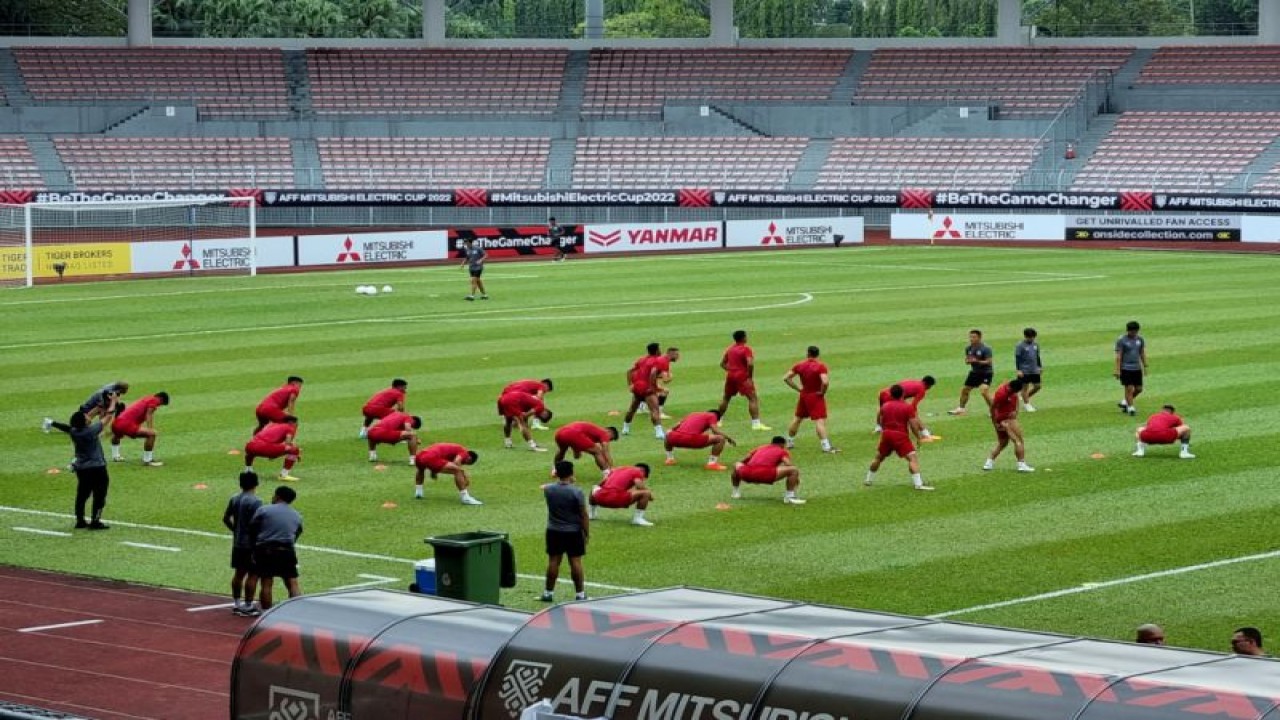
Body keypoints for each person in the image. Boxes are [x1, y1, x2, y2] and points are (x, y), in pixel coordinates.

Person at [48, 408, 114, 530]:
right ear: (84, 422)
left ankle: (80, 521)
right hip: (97, 468)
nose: (89, 416)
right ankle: (95, 521)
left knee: (82, 495)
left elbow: (67, 428)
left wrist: (53, 423)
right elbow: (108, 418)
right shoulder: (91, 431)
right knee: (100, 495)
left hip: (82, 469)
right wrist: (114, 402)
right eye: (86, 416)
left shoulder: (74, 432)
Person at [866, 384, 933, 491]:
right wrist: (918, 437)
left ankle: (868, 479)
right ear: (903, 394)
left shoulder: (885, 405)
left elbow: (881, 420)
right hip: (900, 436)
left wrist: (884, 429)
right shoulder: (907, 407)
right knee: (912, 459)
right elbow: (913, 424)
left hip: (886, 435)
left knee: (878, 458)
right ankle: (918, 484)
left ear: (891, 394)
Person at [249, 485, 303, 611]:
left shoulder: (264, 510)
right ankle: (297, 611)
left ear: (278, 496)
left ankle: (266, 612)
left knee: (266, 582)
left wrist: (254, 545)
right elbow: (298, 532)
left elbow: (252, 527)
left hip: (266, 549)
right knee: (292, 582)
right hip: (287, 550)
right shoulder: (297, 515)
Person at [542, 460, 588, 601]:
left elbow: (548, 486)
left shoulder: (548, 489)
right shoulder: (577, 492)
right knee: (575, 562)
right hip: (573, 532)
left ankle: (548, 593)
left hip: (553, 530)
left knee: (553, 562)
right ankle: (580, 594)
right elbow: (583, 515)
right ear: (572, 473)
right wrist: (586, 533)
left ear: (556, 473)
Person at [783, 345, 838, 453]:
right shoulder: (820, 366)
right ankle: (826, 446)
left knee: (797, 418)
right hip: (815, 396)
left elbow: (786, 378)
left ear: (807, 354)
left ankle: (789, 442)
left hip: (804, 395)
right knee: (820, 421)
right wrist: (822, 392)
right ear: (818, 354)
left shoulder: (799, 365)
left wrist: (798, 389)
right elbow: (825, 382)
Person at [222, 470, 263, 617]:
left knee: (239, 574)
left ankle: (236, 603)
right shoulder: (256, 501)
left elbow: (226, 518)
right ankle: (248, 605)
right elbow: (257, 523)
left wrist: (235, 530)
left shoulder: (234, 498)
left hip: (238, 542)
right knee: (253, 575)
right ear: (256, 483)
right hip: (252, 544)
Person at [622, 344, 679, 439]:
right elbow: (655, 374)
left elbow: (629, 371)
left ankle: (625, 429)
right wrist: (657, 386)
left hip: (637, 387)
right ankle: (659, 433)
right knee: (655, 411)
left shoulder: (641, 359)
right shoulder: (660, 361)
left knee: (632, 409)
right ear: (657, 351)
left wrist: (630, 385)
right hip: (648, 388)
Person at [717, 329, 770, 430]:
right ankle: (756, 424)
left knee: (726, 398)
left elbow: (722, 364)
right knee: (753, 398)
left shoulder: (730, 349)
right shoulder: (746, 349)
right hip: (742, 377)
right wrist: (749, 377)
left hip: (731, 376)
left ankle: (718, 420)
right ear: (743, 338)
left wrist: (732, 370)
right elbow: (750, 363)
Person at [732, 436, 807, 505]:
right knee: (793, 470)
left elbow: (746, 458)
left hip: (746, 473)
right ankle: (790, 496)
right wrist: (795, 478)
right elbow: (788, 464)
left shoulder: (761, 447)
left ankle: (735, 492)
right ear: (782, 444)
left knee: (737, 464)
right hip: (765, 474)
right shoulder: (782, 451)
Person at [983, 378, 1034, 472]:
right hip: (1007, 420)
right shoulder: (1002, 395)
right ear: (1012, 389)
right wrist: (996, 423)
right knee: (1018, 441)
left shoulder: (1008, 385)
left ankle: (989, 463)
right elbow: (992, 408)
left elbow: (1015, 397)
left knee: (1003, 443)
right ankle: (1021, 464)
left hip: (1003, 419)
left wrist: (1016, 410)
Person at [109, 391, 170, 467]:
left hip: (117, 422)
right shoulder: (155, 400)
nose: (158, 405)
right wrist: (150, 429)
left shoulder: (147, 398)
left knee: (117, 435)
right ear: (161, 398)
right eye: (161, 404)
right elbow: (149, 414)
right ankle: (148, 461)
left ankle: (115, 456)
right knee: (152, 434)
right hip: (126, 424)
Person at [664, 409, 736, 470]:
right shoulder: (713, 415)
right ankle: (712, 463)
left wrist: (669, 432)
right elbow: (715, 431)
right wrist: (728, 438)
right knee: (720, 439)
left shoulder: (693, 414)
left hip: (675, 439)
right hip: (690, 439)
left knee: (668, 434)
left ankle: (670, 459)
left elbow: (676, 426)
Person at [413, 442, 483, 504]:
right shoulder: (464, 453)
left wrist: (433, 471)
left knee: (420, 469)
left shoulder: (453, 451)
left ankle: (419, 493)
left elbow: (436, 458)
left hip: (420, 455)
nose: (463, 463)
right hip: (431, 457)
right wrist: (465, 476)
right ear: (469, 458)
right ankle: (465, 498)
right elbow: (456, 462)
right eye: (465, 463)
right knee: (458, 471)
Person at [588, 463, 654, 526]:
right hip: (615, 499)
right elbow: (639, 487)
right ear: (643, 472)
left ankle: (591, 514)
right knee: (646, 493)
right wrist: (650, 496)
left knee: (594, 488)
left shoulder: (617, 469)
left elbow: (600, 484)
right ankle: (637, 519)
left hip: (599, 498)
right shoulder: (638, 471)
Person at [244, 416, 301, 482]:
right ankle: (284, 475)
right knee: (294, 450)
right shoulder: (289, 427)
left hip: (250, 446)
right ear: (291, 422)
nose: (297, 425)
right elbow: (287, 443)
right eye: (296, 423)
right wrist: (295, 453)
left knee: (253, 449)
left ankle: (248, 470)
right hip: (264, 447)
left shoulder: (272, 425)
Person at [949, 329, 993, 415]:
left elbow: (989, 362)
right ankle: (961, 408)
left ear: (979, 337)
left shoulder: (986, 348)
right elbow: (967, 360)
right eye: (970, 337)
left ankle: (994, 410)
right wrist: (968, 361)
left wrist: (977, 361)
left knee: (984, 392)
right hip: (974, 373)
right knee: (965, 390)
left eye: (974, 337)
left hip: (986, 373)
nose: (971, 339)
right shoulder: (968, 348)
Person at [553, 421, 618, 474]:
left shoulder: (593, 432)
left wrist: (576, 451)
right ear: (609, 432)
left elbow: (576, 446)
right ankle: (607, 473)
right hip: (573, 433)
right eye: (611, 439)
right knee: (597, 451)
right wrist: (612, 467)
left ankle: (555, 469)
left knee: (562, 450)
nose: (609, 440)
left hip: (560, 432)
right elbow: (606, 451)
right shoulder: (604, 433)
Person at [1115, 320, 1148, 416]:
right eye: (1132, 331)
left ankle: (1125, 401)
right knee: (1129, 388)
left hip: (1137, 368)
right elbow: (1119, 356)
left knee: (1139, 389)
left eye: (1136, 331)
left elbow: (1141, 352)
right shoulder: (1122, 340)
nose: (1134, 333)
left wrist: (1145, 365)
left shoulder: (1140, 339)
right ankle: (1131, 408)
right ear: (1128, 330)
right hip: (1125, 368)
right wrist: (1117, 370)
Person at [1015, 328, 1043, 412]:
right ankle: (1027, 405)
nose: (1032, 339)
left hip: (1034, 369)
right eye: (1030, 337)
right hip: (1024, 370)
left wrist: (1039, 366)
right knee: (1025, 388)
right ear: (1025, 336)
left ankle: (1024, 397)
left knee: (1037, 386)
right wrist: (1018, 370)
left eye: (1033, 337)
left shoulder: (1036, 344)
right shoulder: (1020, 345)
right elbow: (1017, 358)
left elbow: (1037, 356)